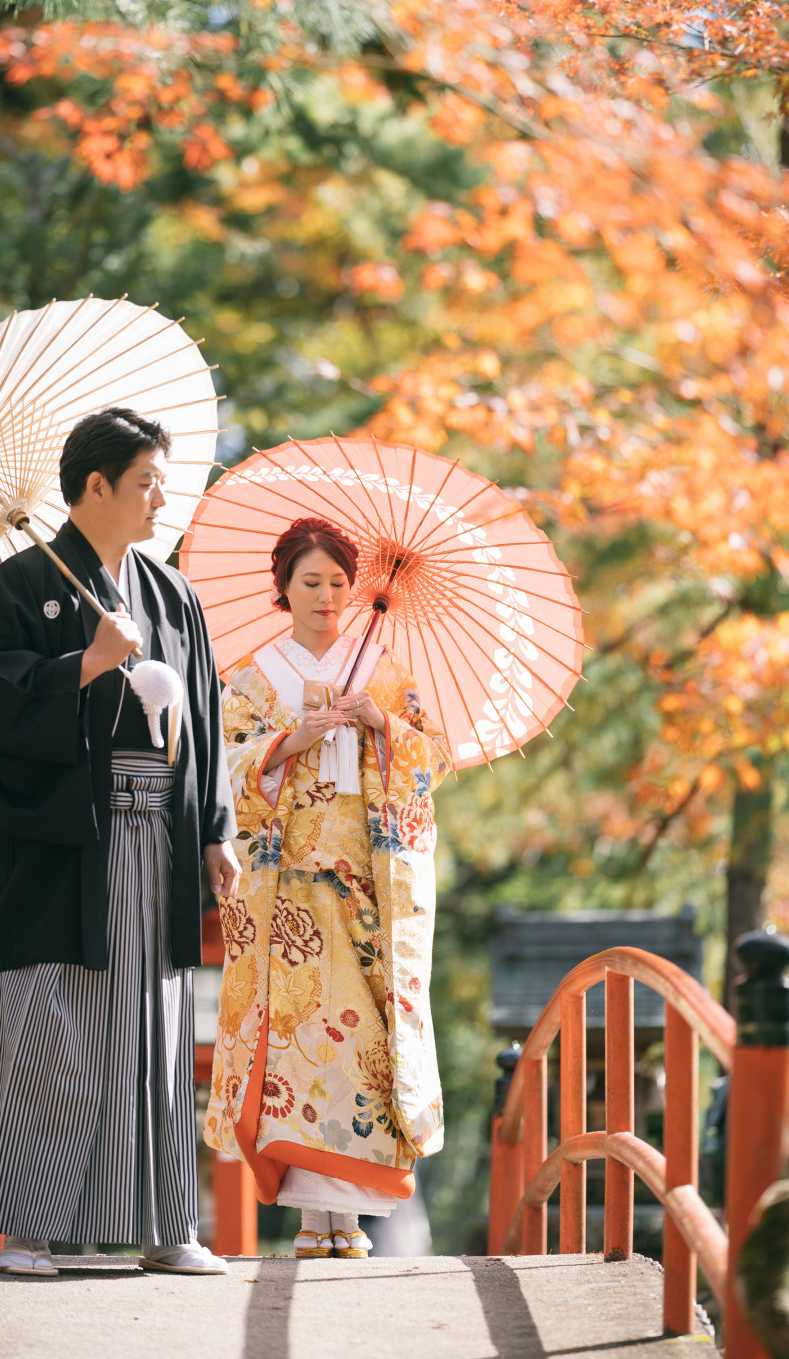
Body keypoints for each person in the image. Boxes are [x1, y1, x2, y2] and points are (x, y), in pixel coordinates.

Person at [0, 407, 240, 1276]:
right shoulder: (21, 586)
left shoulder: (171, 592)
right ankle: (29, 1229)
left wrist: (217, 830)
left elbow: (211, 723)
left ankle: (163, 1225)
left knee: (150, 1026)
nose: (161, 497)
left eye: (163, 480)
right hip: (67, 838)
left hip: (160, 830)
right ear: (97, 486)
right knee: (55, 1014)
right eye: (146, 480)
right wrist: (83, 663)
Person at [204, 516, 451, 1260]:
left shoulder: (382, 669)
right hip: (286, 893)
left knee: (363, 1048)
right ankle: (316, 1222)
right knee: (297, 1048)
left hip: (366, 888)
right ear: (282, 585)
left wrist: (382, 726)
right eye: (311, 581)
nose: (326, 595)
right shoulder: (250, 677)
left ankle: (350, 1217)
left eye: (339, 583)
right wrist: (290, 742)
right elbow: (219, 768)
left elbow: (431, 758)